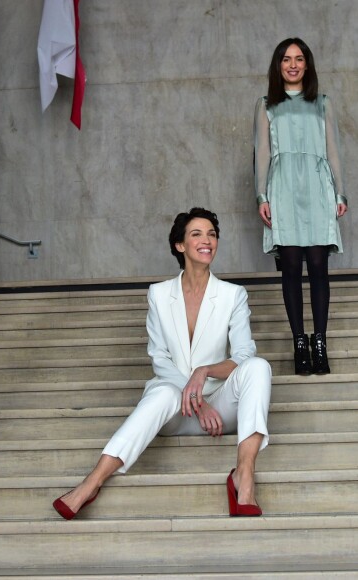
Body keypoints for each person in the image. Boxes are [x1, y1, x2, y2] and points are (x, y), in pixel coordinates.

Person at [52, 208, 272, 520]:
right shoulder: (159, 294)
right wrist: (196, 399)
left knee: (258, 367)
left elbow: (242, 356)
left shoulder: (232, 295)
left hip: (222, 411)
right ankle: (92, 482)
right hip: (176, 410)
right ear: (180, 245)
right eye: (197, 234)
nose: (207, 240)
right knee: (163, 392)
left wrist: (205, 371)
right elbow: (160, 358)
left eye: (212, 234)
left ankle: (244, 477)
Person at [254, 38, 348, 375]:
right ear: (278, 66)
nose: (292, 65)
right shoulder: (266, 105)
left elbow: (333, 149)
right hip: (283, 189)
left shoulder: (322, 103)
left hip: (318, 187)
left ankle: (319, 342)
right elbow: (262, 153)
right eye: (286, 59)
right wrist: (262, 196)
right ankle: (299, 343)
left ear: (307, 65)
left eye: (299, 59)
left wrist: (340, 192)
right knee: (291, 265)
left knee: (319, 264)